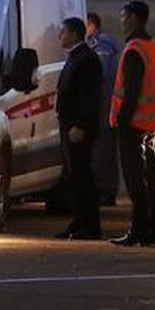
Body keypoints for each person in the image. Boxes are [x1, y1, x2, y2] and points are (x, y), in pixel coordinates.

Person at [110, 0, 155, 247]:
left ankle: (139, 230)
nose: (121, 22)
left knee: (136, 182)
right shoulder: (154, 47)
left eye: (124, 16)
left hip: (133, 125)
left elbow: (131, 91)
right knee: (152, 179)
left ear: (133, 18)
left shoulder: (134, 50)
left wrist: (122, 121)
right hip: (151, 124)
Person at [54, 17, 103, 240]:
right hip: (68, 126)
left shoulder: (87, 59)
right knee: (73, 176)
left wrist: (81, 125)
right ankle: (77, 221)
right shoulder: (75, 57)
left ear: (74, 34)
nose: (60, 36)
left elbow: (90, 97)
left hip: (77, 128)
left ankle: (90, 226)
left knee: (83, 177)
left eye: (63, 32)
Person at [86, 11, 122, 206]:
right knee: (103, 147)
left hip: (105, 103)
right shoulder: (100, 44)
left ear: (91, 24)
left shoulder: (102, 45)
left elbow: (102, 77)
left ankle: (106, 189)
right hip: (106, 103)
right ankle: (106, 188)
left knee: (104, 147)